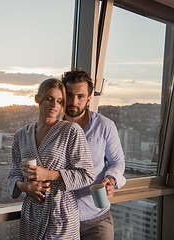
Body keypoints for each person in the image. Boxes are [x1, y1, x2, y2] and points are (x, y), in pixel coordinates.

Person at [7, 78, 95, 239]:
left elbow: (87, 174)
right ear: (37, 99)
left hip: (61, 215)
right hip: (32, 215)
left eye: (60, 101)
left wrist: (50, 175)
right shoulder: (21, 135)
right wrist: (24, 186)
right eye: (49, 99)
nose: (55, 105)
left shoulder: (71, 131)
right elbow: (13, 173)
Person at [62, 68, 126, 240]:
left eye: (80, 96)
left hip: (96, 220)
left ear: (89, 98)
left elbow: (117, 163)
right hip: (60, 222)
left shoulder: (105, 126)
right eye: (69, 95)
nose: (73, 101)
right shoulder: (51, 128)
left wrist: (111, 179)